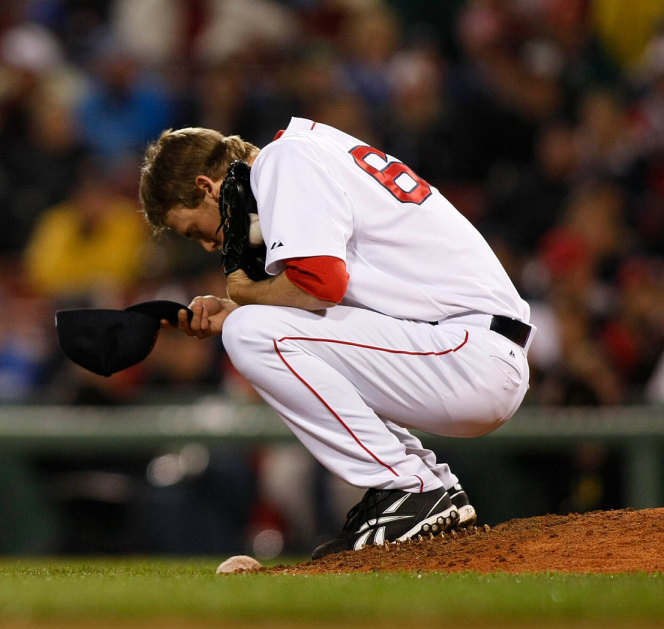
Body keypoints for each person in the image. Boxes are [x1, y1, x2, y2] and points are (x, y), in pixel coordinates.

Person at [138, 118, 533, 558]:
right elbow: (340, 300)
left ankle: (407, 486)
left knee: (249, 334)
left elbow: (319, 286)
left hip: (467, 352)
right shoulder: (310, 148)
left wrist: (243, 298)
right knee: (249, 325)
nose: (208, 247)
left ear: (208, 187)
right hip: (467, 346)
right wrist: (240, 308)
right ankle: (428, 487)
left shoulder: (282, 160)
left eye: (195, 230)